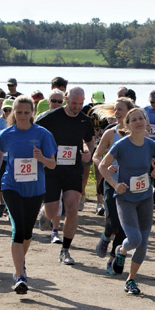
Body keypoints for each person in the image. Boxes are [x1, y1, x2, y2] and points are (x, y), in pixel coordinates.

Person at [0, 96, 57, 294]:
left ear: (32, 113)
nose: (22, 116)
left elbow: (52, 164)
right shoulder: (7, 133)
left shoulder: (43, 134)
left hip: (35, 189)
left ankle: (20, 262)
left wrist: (41, 158)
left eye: (26, 112)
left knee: (27, 232)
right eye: (18, 112)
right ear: (13, 113)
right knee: (18, 228)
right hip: (11, 185)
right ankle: (20, 275)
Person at [98, 108, 155, 295]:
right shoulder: (121, 145)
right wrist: (114, 184)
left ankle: (131, 280)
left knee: (143, 242)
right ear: (127, 125)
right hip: (125, 199)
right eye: (134, 120)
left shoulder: (151, 145)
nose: (138, 122)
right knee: (135, 239)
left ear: (146, 122)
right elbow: (102, 166)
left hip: (145, 198)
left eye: (141, 118)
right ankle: (121, 250)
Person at [36, 87, 94, 263]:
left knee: (72, 208)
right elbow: (34, 135)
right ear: (66, 99)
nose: (77, 107)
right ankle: (44, 214)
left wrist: (88, 152)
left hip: (73, 169)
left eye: (80, 104)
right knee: (53, 211)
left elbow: (90, 140)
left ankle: (65, 250)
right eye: (74, 103)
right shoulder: (49, 118)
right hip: (52, 169)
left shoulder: (85, 120)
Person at [92, 98, 135, 272]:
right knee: (113, 222)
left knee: (125, 226)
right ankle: (106, 235)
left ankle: (112, 259)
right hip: (111, 182)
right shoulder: (110, 133)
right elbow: (96, 156)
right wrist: (104, 165)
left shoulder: (140, 133)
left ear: (129, 113)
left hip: (131, 185)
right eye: (115, 110)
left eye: (120, 110)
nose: (116, 113)